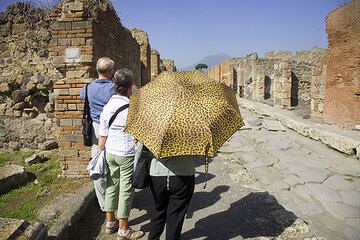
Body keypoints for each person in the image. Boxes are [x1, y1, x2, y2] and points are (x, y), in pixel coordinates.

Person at [98, 69, 144, 240]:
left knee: (111, 185)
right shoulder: (132, 107)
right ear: (130, 86)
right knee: (125, 190)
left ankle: (110, 222)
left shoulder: (108, 106)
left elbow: (103, 134)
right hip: (126, 153)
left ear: (113, 85)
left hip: (110, 151)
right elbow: (137, 135)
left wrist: (101, 153)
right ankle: (123, 230)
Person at [135, 142, 198, 240]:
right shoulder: (191, 128)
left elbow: (140, 149)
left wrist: (135, 171)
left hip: (157, 173)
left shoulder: (151, 127)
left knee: (158, 210)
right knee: (176, 215)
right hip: (183, 174)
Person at [80, 57, 115, 212]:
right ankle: (115, 201)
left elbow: (82, 96)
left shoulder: (88, 88)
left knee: (97, 167)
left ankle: (104, 205)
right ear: (110, 71)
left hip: (96, 130)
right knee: (114, 166)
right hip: (113, 130)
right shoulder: (115, 88)